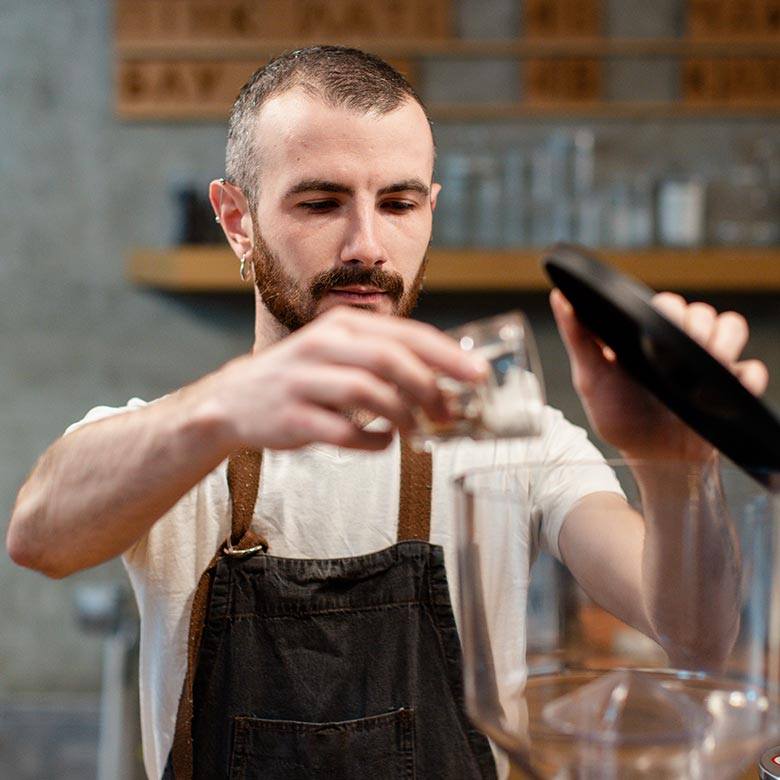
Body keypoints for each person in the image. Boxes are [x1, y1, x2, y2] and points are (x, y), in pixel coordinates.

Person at [7, 46, 768, 779]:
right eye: (320, 203)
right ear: (238, 221)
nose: (367, 246)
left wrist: (677, 467)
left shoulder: (513, 438)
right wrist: (224, 408)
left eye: (398, 203)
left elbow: (696, 635)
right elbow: (38, 536)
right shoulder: (180, 446)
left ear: (430, 212)